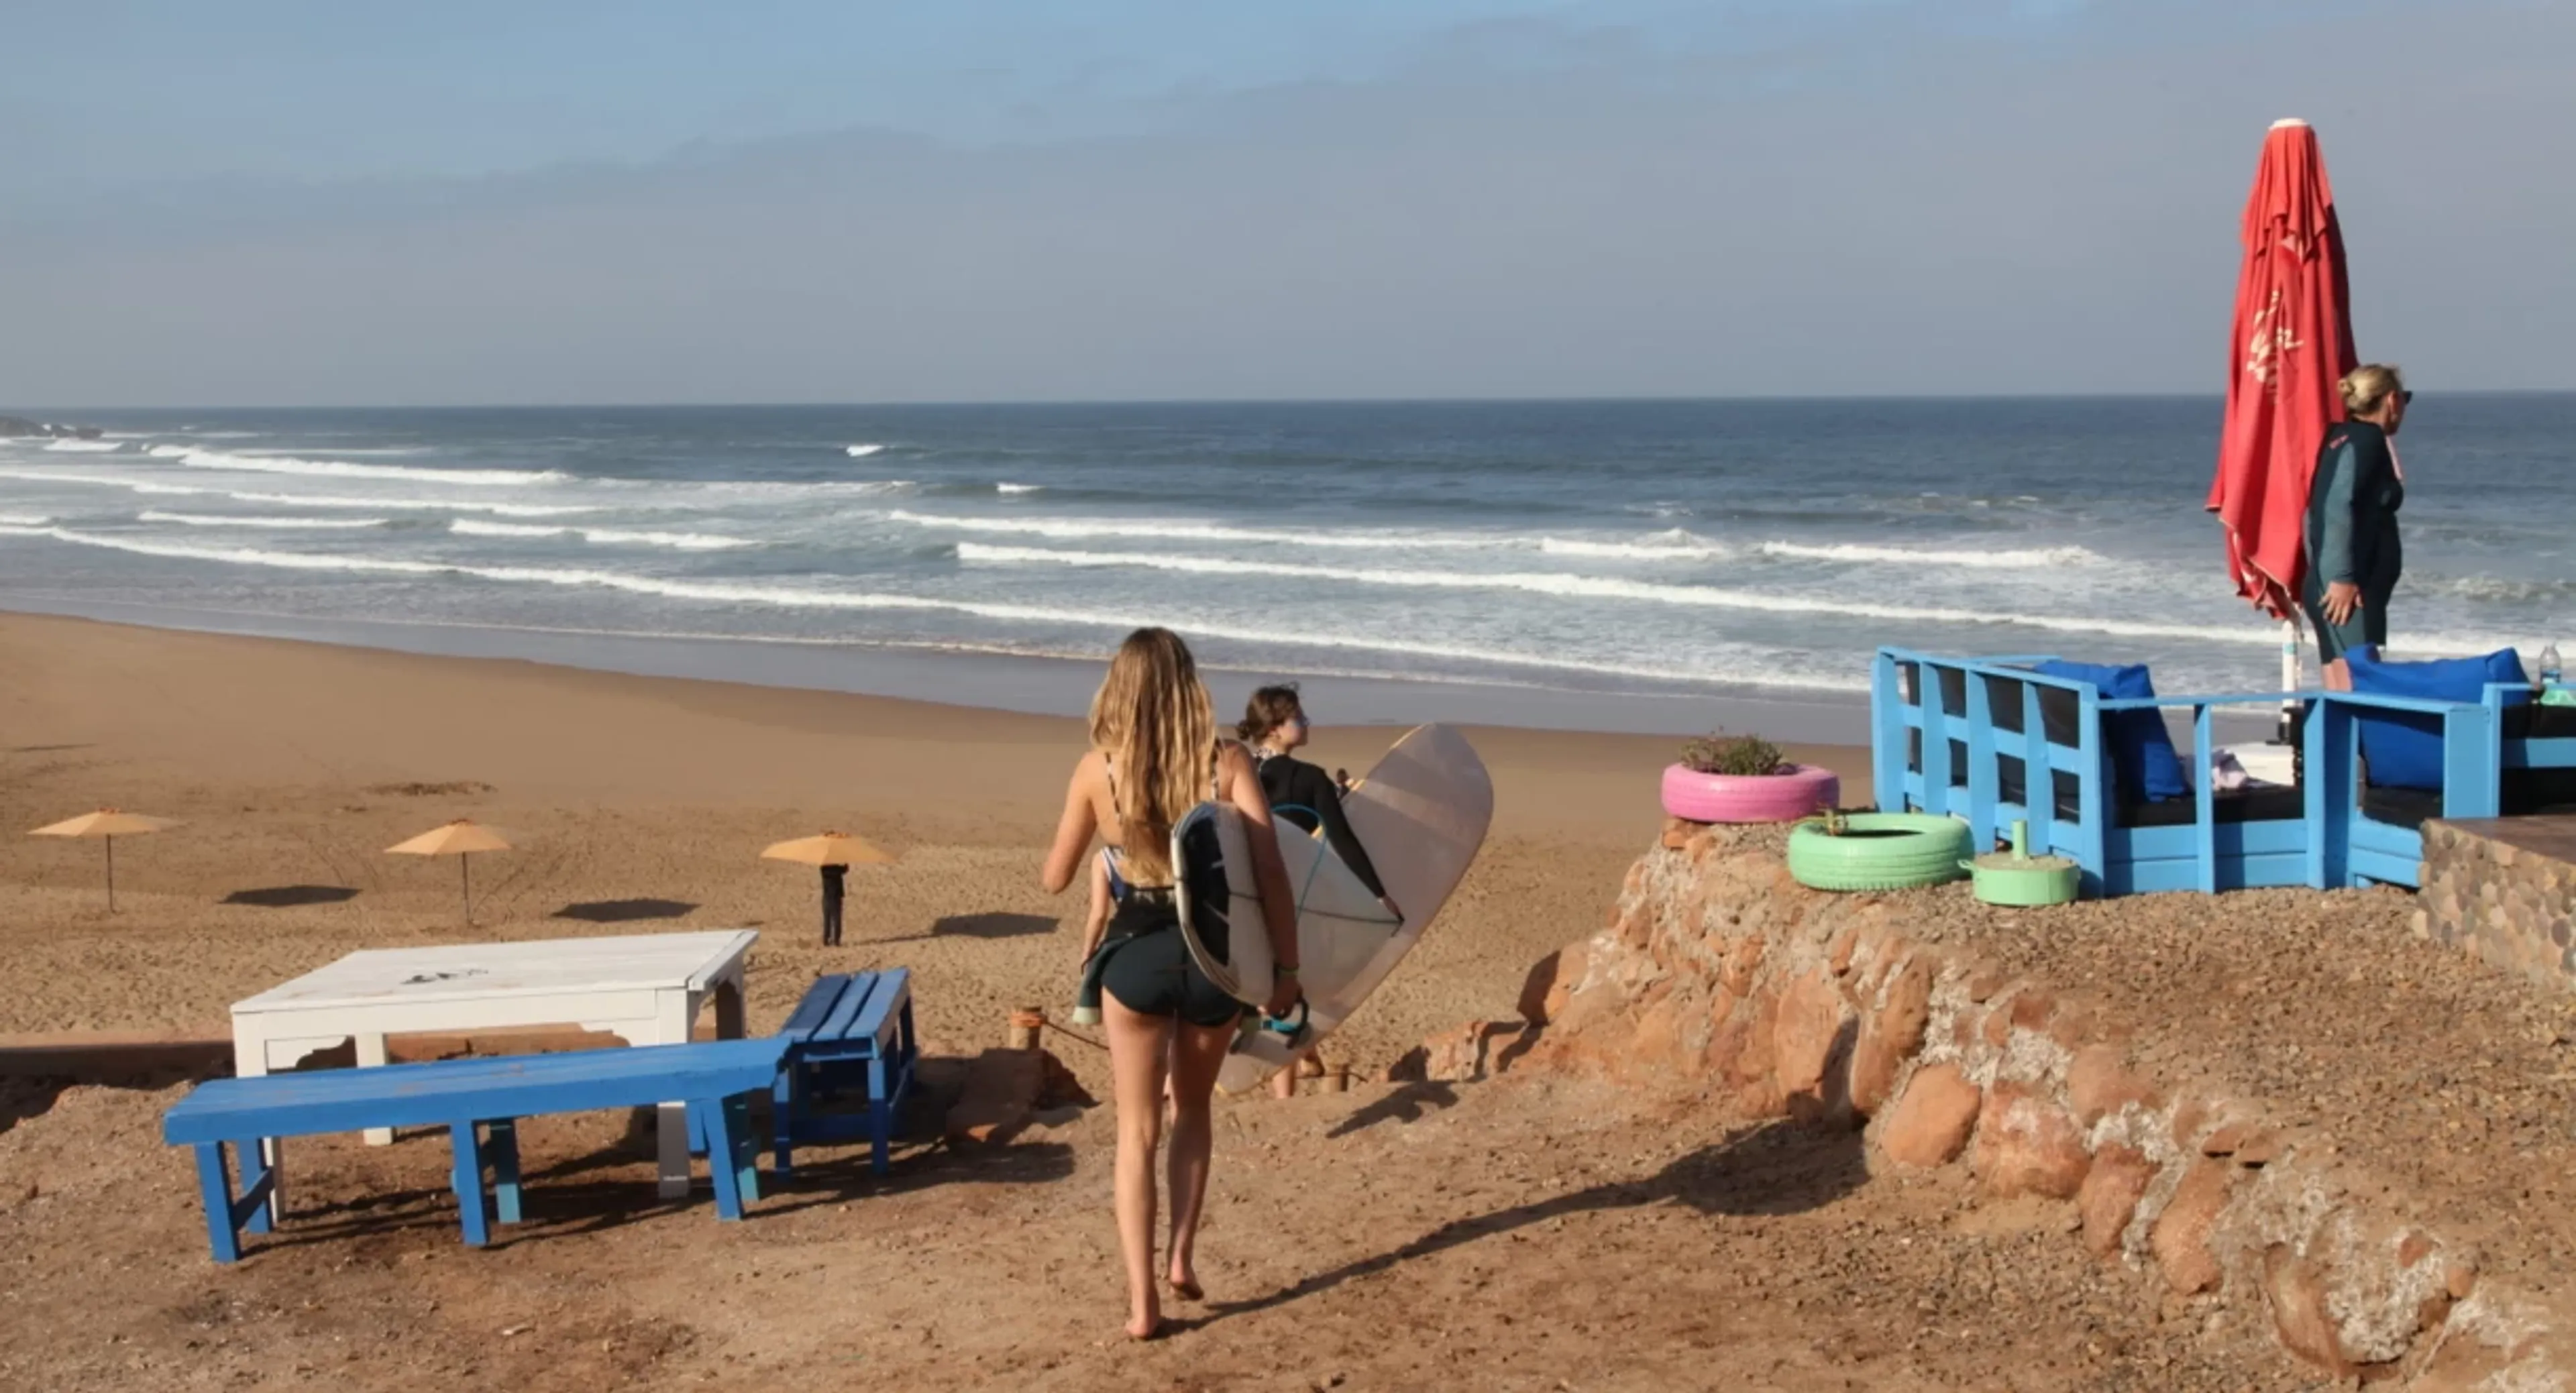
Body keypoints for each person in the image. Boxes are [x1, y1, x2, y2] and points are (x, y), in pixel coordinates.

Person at [1041, 628, 1299, 1341]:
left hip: (1137, 955)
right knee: (1193, 1111)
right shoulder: (1227, 761)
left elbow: (1056, 875)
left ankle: (1143, 1302)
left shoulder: (1100, 769)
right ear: (1189, 683)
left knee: (1135, 1132)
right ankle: (1182, 1255)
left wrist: (1110, 832)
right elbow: (1271, 869)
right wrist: (1285, 970)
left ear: (1118, 687)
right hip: (1214, 956)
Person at [1234, 684, 1403, 1097]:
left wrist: (1340, 796)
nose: (1307, 723)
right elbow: (1341, 840)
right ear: (1274, 728)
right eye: (1298, 718)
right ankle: (1285, 1097)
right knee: (1289, 989)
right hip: (1291, 900)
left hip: (1238, 897)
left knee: (1260, 989)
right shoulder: (1308, 778)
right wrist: (1378, 894)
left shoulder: (1235, 771)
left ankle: (1305, 1064)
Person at [2305, 364, 2408, 691]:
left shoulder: (2341, 437)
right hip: (2347, 593)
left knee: (2342, 695)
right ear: (2392, 400)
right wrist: (2343, 578)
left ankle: (2336, 744)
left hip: (2333, 585)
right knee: (2359, 691)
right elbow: (2337, 505)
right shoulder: (2367, 440)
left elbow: (2317, 510)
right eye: (2405, 398)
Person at [818, 862, 847, 947]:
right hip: (836, 896)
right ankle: (836, 940)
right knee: (836, 919)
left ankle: (826, 939)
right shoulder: (837, 869)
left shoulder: (824, 868)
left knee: (827, 919)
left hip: (827, 896)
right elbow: (845, 869)